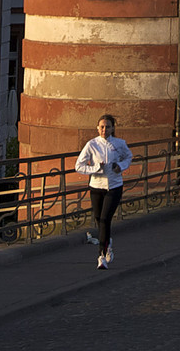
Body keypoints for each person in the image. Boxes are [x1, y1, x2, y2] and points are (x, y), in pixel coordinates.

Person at [75, 113, 134, 268]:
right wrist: (95, 168)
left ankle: (101, 256)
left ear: (113, 128)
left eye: (108, 127)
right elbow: (78, 165)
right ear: (97, 128)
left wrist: (119, 166)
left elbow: (128, 157)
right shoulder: (92, 144)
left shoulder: (119, 144)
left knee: (105, 219)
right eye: (102, 127)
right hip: (96, 187)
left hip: (114, 186)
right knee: (99, 219)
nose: (104, 130)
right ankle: (108, 244)